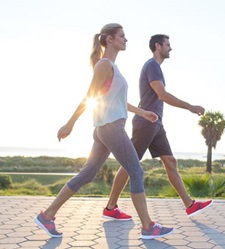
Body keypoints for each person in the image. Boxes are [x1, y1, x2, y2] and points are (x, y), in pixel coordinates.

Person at [34, 24, 173, 240]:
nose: (126, 40)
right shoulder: (104, 65)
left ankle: (47, 215)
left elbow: (116, 100)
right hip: (111, 128)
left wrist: (143, 112)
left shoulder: (112, 67)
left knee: (87, 174)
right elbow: (89, 97)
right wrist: (70, 123)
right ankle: (148, 227)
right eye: (122, 36)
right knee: (136, 171)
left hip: (104, 128)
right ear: (109, 39)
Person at [103, 34, 212, 221]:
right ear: (157, 46)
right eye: (168, 45)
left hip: (156, 123)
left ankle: (189, 205)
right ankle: (110, 207)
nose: (170, 48)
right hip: (146, 122)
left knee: (170, 161)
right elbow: (162, 95)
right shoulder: (152, 65)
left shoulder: (156, 67)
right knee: (130, 164)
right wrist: (190, 107)